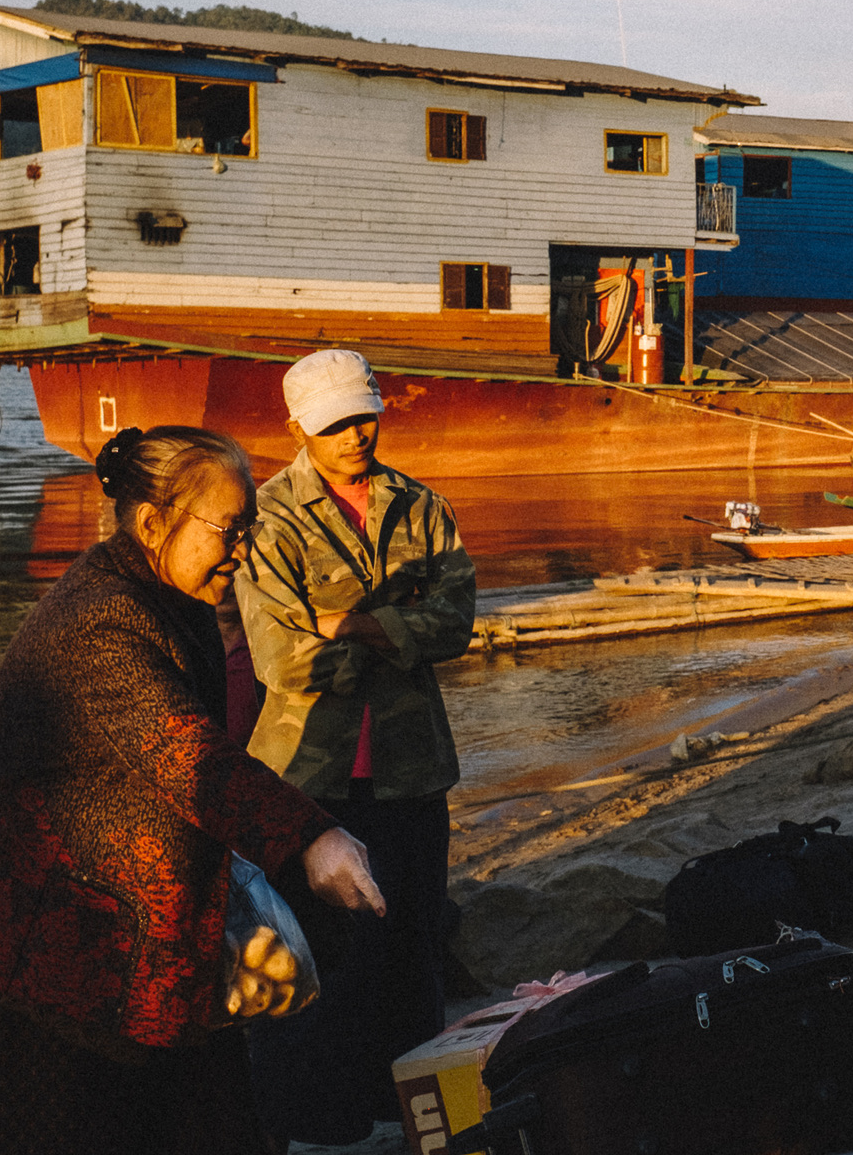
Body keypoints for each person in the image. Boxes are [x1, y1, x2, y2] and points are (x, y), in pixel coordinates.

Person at [0, 425, 386, 1155]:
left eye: (251, 528)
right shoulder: (100, 623)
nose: (242, 549)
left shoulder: (171, 598)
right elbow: (192, 760)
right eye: (228, 529)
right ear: (152, 522)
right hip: (40, 951)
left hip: (141, 938)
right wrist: (311, 836)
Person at [238, 348, 476, 1148]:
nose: (354, 433)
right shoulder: (268, 516)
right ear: (299, 425)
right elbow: (280, 659)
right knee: (321, 959)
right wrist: (400, 628)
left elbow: (459, 620)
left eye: (363, 415)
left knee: (413, 946)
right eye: (336, 421)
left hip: (412, 771)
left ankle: (409, 1112)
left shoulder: (421, 506)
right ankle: (322, 1123)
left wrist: (347, 624)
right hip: (309, 779)